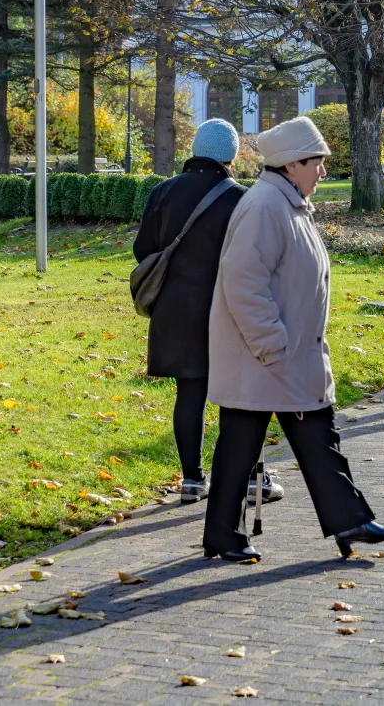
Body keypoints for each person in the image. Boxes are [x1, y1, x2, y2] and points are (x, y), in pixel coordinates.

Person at [203, 117, 384, 562]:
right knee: (245, 447)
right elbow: (242, 282)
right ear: (293, 164)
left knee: (311, 437)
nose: (323, 172)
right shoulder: (266, 207)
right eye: (318, 163)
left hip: (283, 358)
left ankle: (347, 521)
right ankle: (224, 534)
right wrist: (272, 343)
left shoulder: (285, 203)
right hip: (267, 357)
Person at [133, 119, 282, 506]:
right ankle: (251, 479)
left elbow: (142, 250)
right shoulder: (241, 199)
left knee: (189, 394)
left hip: (174, 310)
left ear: (196, 151)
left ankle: (192, 481)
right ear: (232, 156)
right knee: (240, 397)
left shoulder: (163, 191)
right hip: (227, 309)